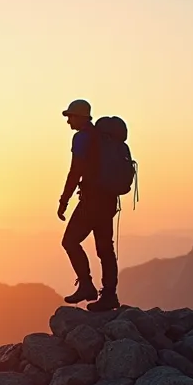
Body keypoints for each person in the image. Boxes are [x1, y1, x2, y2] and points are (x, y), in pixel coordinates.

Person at [57, 99, 120, 312]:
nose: (68, 121)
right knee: (105, 248)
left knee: (70, 242)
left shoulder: (82, 138)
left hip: (91, 201)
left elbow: (76, 171)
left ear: (81, 117)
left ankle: (86, 286)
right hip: (108, 201)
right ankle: (110, 295)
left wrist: (64, 200)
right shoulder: (103, 139)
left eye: (71, 116)